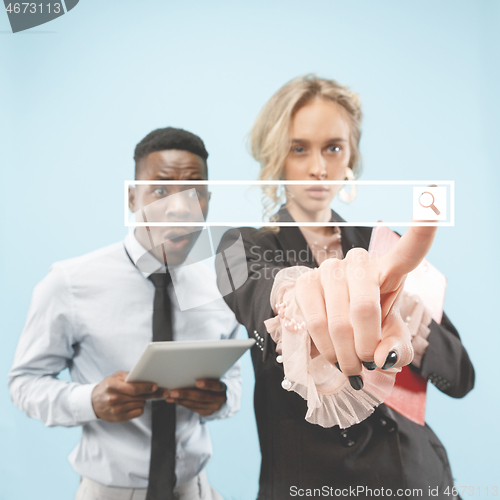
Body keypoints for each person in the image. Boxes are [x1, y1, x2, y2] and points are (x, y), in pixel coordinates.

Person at [216, 76, 474, 499]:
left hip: (423, 478)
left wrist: (417, 327)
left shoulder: (387, 246)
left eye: (333, 147)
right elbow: (260, 295)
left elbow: (462, 378)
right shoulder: (238, 245)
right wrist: (295, 299)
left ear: (351, 154)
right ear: (276, 155)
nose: (318, 166)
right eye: (300, 148)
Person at [9, 127, 241, 500]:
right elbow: (24, 383)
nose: (180, 207)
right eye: (161, 190)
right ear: (132, 197)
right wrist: (90, 401)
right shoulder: (69, 283)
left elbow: (234, 377)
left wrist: (222, 399)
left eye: (194, 192)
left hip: (195, 490)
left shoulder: (220, 285)